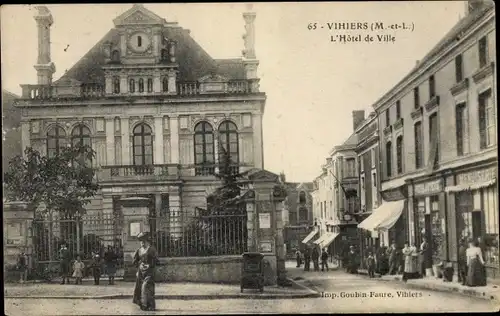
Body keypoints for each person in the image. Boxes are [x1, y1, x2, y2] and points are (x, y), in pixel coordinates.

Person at [133, 232, 159, 311]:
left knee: (146, 288)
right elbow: (134, 261)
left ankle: (150, 306)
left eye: (143, 241)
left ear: (147, 241)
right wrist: (138, 266)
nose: (142, 243)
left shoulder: (152, 249)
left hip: (149, 272)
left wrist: (150, 265)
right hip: (141, 272)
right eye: (140, 241)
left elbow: (156, 260)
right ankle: (143, 305)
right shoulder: (139, 250)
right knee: (140, 288)